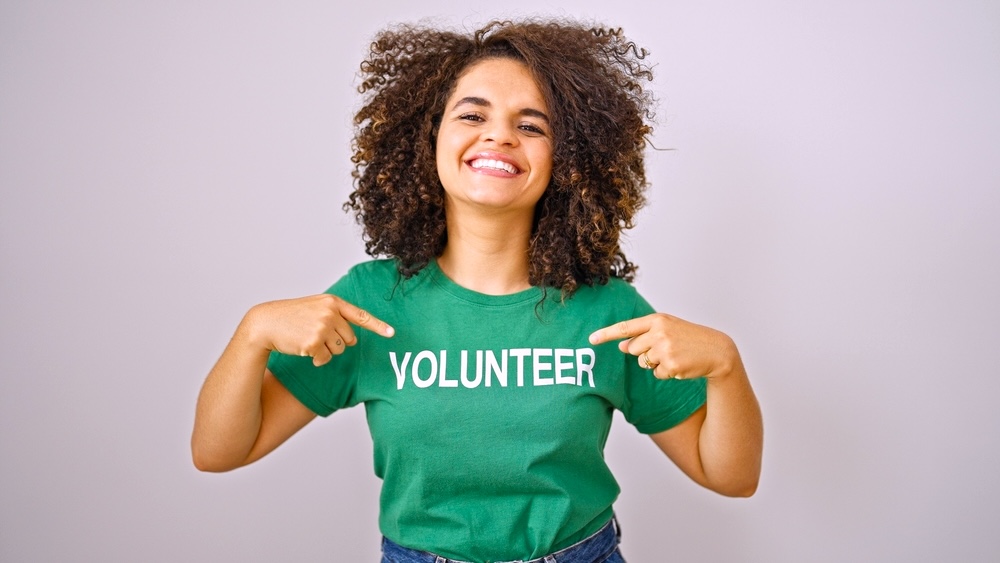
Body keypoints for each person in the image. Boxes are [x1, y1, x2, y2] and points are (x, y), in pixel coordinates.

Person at [191, 18, 763, 563]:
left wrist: (726, 367)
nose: (499, 135)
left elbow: (732, 477)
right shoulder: (368, 302)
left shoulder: (608, 310)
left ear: (567, 159)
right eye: (472, 114)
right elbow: (218, 452)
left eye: (532, 126)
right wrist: (252, 333)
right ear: (429, 136)